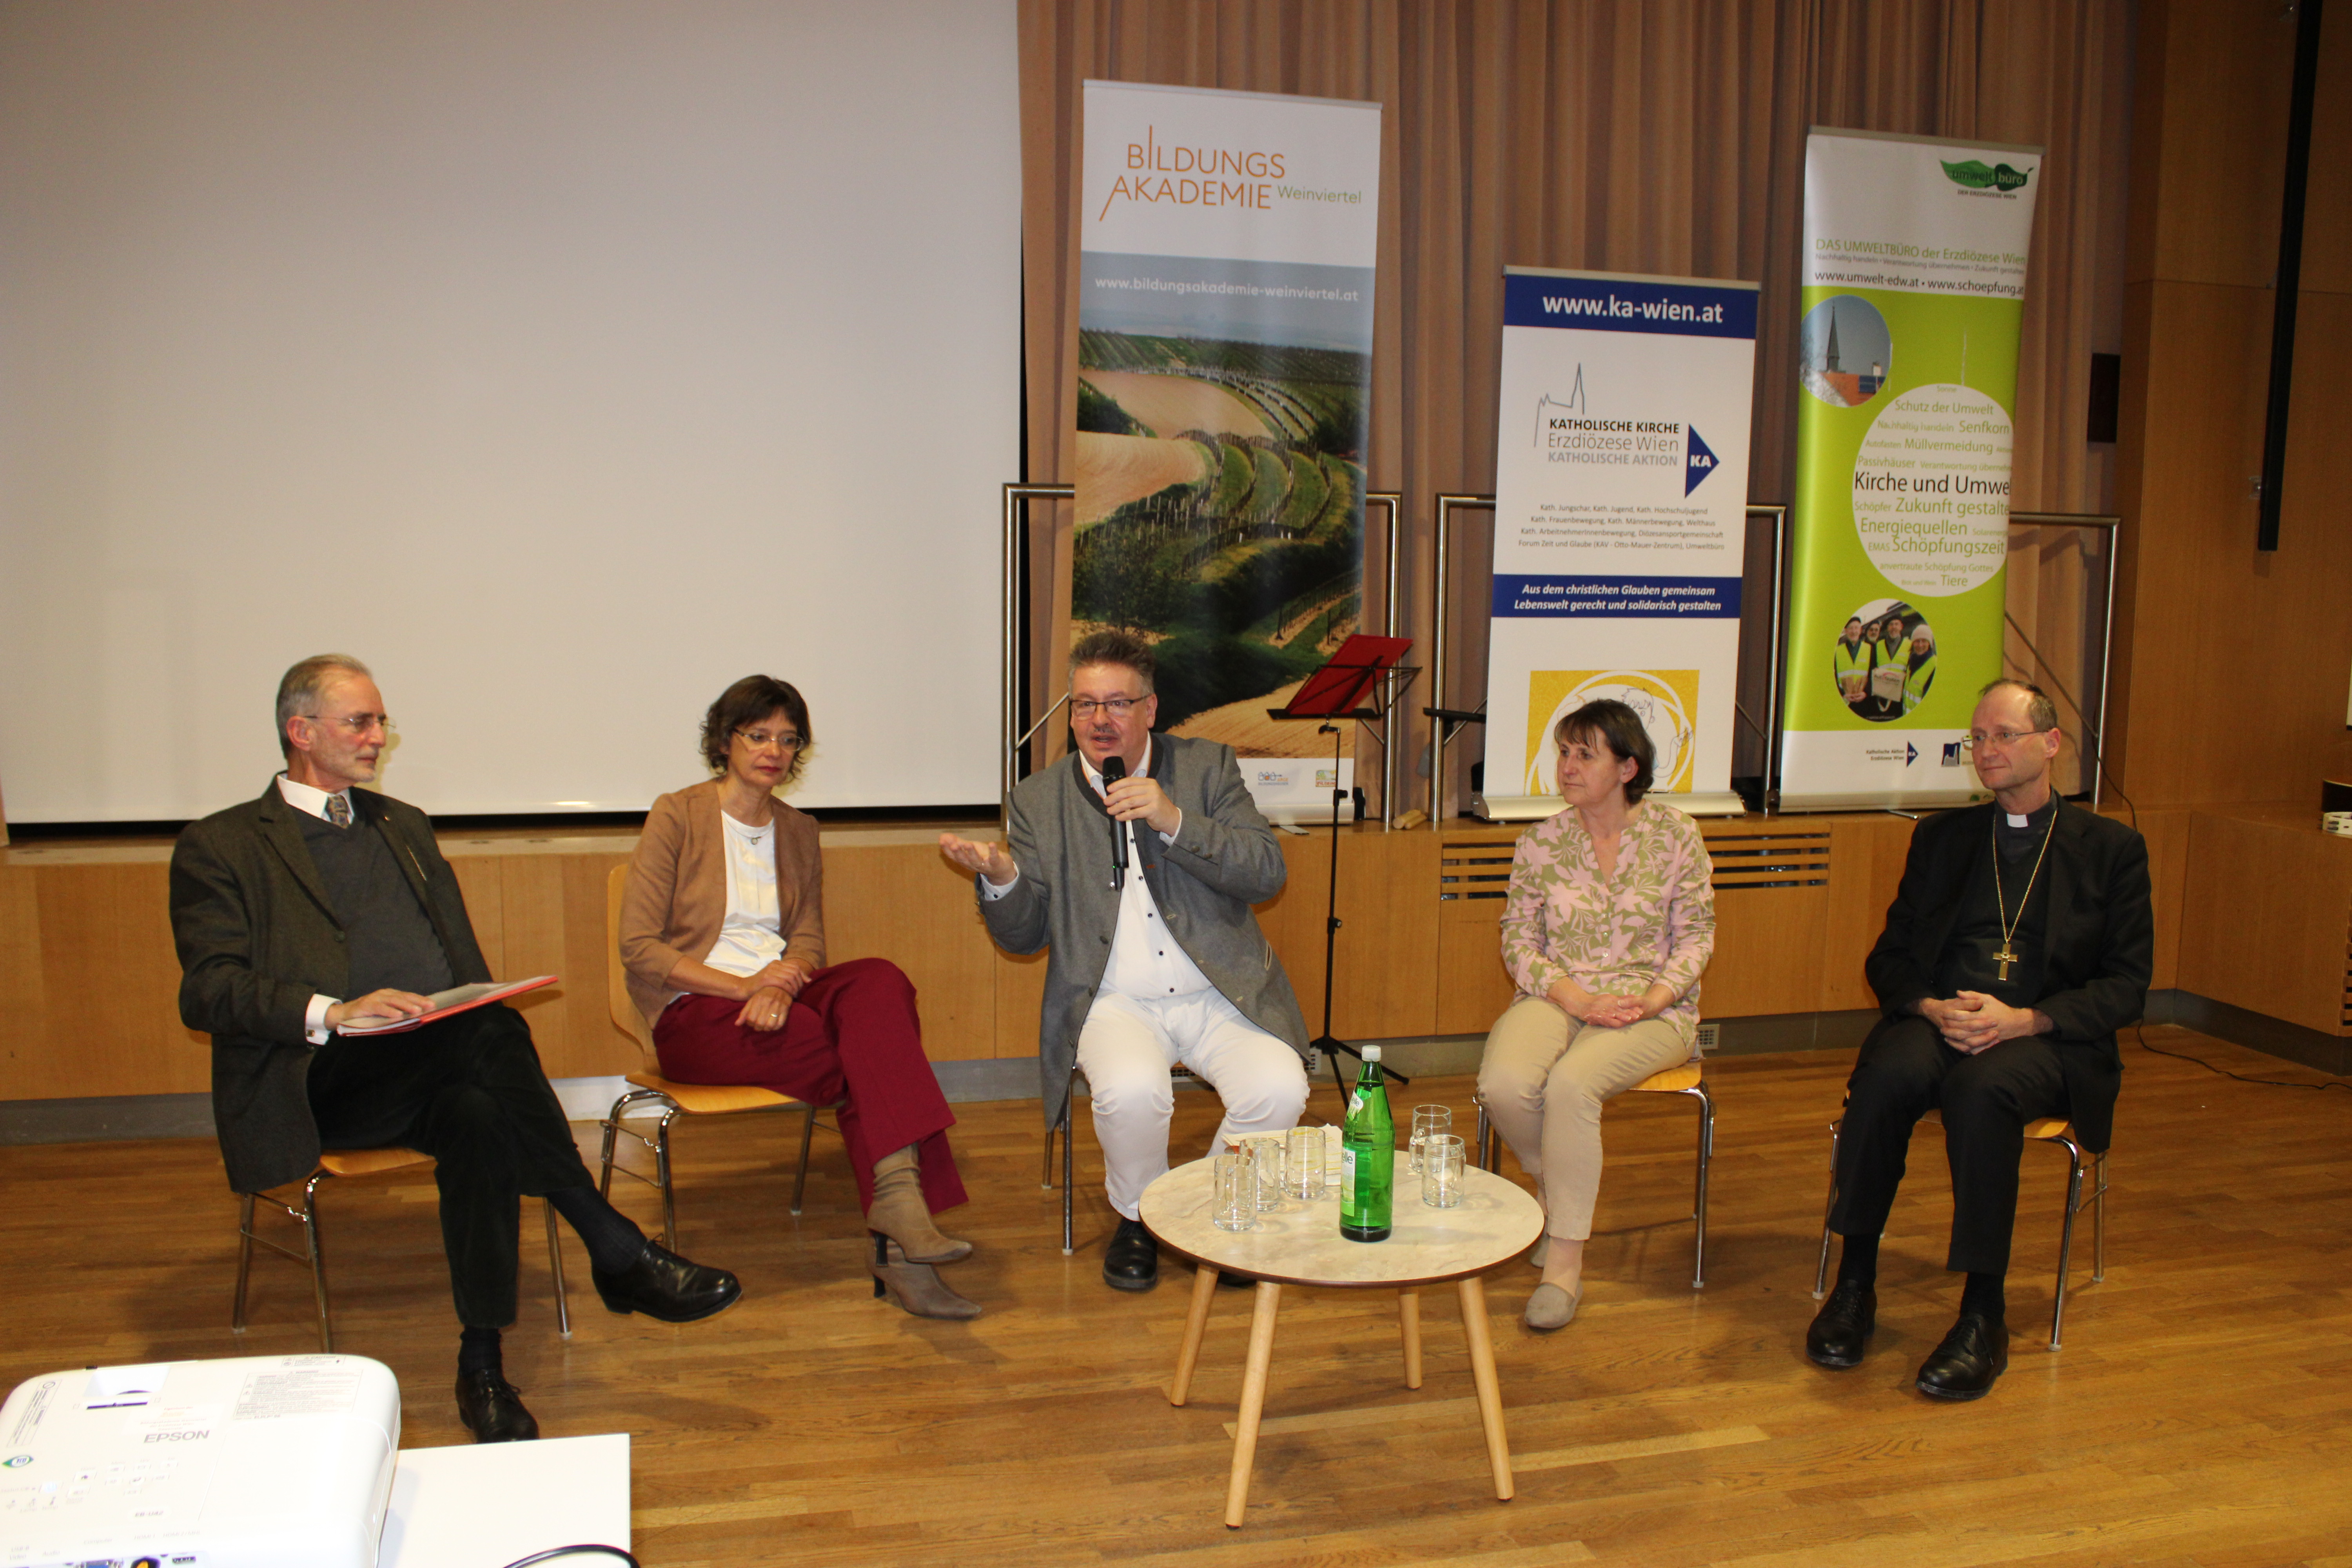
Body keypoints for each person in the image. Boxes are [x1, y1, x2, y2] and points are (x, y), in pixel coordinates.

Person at [171, 655, 741, 1446]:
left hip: (438, 1061)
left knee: (479, 1103)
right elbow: (210, 989)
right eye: (360, 723)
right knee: (484, 1037)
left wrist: (471, 998)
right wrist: (337, 1010)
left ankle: (483, 1366)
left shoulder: (401, 824)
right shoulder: (223, 843)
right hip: (321, 1076)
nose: (378, 737)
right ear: (301, 732)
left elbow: (457, 961)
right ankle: (611, 1241)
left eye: (380, 722)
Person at [1805, 679, 2151, 1400]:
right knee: (1887, 1077)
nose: (1987, 751)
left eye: (2003, 737)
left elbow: (2126, 985)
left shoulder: (2110, 849)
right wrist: (1929, 1009)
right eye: (1979, 739)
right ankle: (1855, 1282)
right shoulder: (1944, 838)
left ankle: (1982, 1313)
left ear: (2051, 744)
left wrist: (2025, 1020)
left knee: (1980, 1091)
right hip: (1945, 1019)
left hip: (2043, 1036)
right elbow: (1889, 956)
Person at [940, 630, 1310, 1292]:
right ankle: (1139, 1218)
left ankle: (1213, 1210)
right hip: (1114, 999)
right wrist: (1001, 879)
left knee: (1280, 1088)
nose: (1100, 720)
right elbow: (1025, 939)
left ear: (1150, 710)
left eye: (1117, 703)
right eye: (1084, 705)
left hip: (1219, 992)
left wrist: (1175, 821)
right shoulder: (1038, 799)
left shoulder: (1207, 769)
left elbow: (1266, 873)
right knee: (1132, 1093)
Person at [619, 675, 978, 1320]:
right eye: (758, 736)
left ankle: (899, 1212)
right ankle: (901, 1233)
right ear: (726, 742)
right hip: (696, 1011)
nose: (773, 752)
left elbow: (808, 936)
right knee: (866, 1053)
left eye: (788, 740)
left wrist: (783, 979)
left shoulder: (799, 829)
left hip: (785, 998)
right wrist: (746, 987)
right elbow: (640, 947)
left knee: (881, 983)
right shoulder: (677, 813)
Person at [1477, 699, 1715, 1330]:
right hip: (1560, 996)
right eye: (1564, 752)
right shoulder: (1540, 842)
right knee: (1502, 1083)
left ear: (1628, 767)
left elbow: (1697, 938)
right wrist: (1575, 998)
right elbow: (1518, 943)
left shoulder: (1676, 835)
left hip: (1653, 1007)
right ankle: (1558, 1186)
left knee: (1571, 1085)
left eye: (1587, 754)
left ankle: (1563, 1263)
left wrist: (1656, 997)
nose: (1568, 766)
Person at [1867, 614, 1913, 719]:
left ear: (1901, 627)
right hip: (1881, 696)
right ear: (1888, 628)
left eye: (1897, 624)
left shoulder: (1910, 645)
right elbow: (1871, 669)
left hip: (1901, 696)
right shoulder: (1878, 646)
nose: (1894, 627)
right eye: (1891, 625)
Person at [1833, 617, 1871, 711]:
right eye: (1851, 628)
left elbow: (1873, 674)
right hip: (1844, 701)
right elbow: (1833, 675)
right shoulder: (1837, 651)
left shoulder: (1870, 649)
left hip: (1864, 701)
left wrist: (1866, 692)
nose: (1854, 631)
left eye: (1857, 628)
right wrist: (1842, 694)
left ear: (1861, 630)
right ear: (1846, 631)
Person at [1901, 623, 1938, 715]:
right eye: (1917, 641)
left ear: (1930, 644)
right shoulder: (1911, 662)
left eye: (1924, 641)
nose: (1920, 645)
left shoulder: (1934, 665)